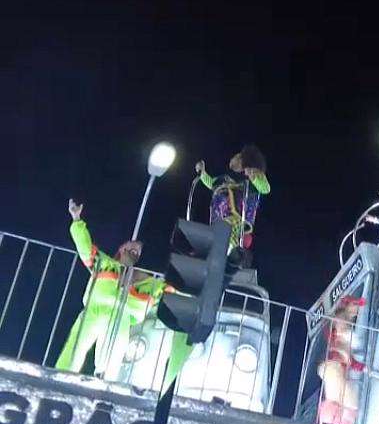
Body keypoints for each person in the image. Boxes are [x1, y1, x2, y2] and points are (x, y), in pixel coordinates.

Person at [56, 199, 173, 378]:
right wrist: (77, 219)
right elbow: (85, 248)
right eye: (131, 246)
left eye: (138, 250)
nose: (135, 249)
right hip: (94, 311)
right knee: (76, 347)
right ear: (121, 248)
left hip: (122, 319)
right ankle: (61, 375)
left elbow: (171, 292)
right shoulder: (104, 264)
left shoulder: (150, 283)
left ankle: (105, 381)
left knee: (114, 354)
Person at [195, 144, 270, 266]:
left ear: (243, 161)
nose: (232, 159)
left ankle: (228, 253)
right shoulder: (224, 178)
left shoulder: (251, 176)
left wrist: (254, 177)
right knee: (218, 234)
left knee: (228, 233)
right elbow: (211, 183)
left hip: (237, 216)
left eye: (236, 157)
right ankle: (219, 256)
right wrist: (202, 173)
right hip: (219, 216)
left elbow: (265, 189)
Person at [316, 296, 366, 424]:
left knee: (342, 401)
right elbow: (338, 346)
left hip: (336, 367)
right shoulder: (339, 324)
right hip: (332, 366)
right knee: (346, 402)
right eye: (355, 306)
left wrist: (361, 367)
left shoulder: (345, 327)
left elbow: (349, 357)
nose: (356, 310)